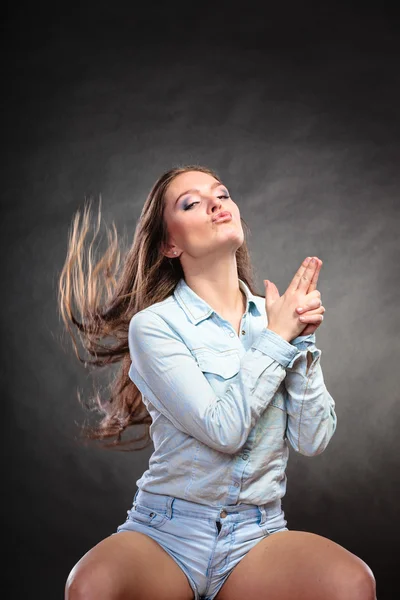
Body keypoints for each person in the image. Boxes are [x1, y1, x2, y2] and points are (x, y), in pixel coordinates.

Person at [59, 164, 376, 600]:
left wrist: (300, 342)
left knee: (353, 584)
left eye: (222, 195)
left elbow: (312, 439)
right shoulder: (155, 326)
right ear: (170, 243)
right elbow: (222, 430)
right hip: (167, 533)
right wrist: (279, 339)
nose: (215, 204)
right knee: (91, 586)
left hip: (257, 535)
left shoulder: (276, 317)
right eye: (191, 203)